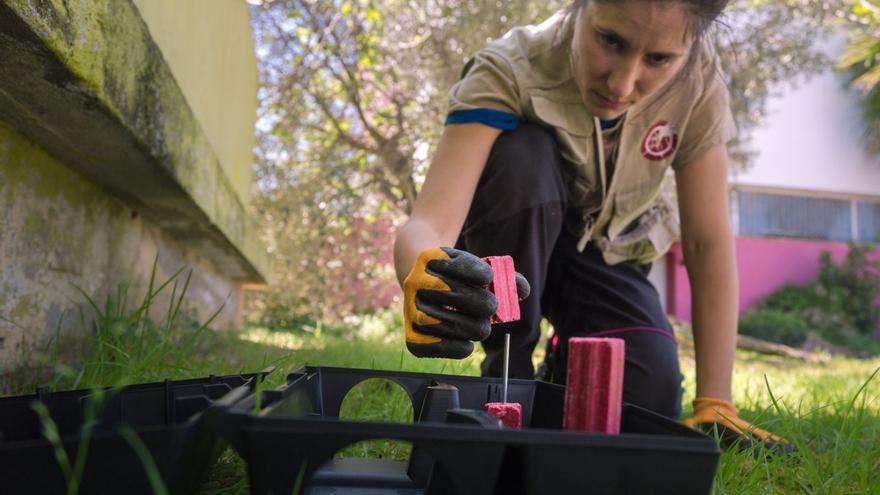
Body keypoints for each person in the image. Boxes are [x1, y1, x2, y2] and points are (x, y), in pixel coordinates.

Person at [394, 0, 787, 450]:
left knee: (647, 401)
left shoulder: (696, 84)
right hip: (513, 242)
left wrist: (716, 401)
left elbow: (706, 243)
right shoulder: (508, 68)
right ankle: (508, 379)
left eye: (658, 59)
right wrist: (422, 272)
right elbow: (430, 221)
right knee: (525, 154)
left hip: (606, 255)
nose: (622, 83)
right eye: (610, 41)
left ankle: (562, 363)